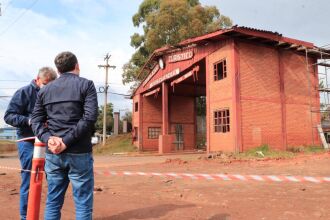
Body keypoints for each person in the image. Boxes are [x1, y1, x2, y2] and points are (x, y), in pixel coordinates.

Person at [31, 51, 98, 220]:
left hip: (53, 153)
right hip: (79, 152)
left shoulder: (45, 91)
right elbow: (89, 118)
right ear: (77, 66)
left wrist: (49, 139)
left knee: (53, 201)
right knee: (82, 203)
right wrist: (66, 142)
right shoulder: (86, 85)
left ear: (58, 70)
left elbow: (36, 120)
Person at [4, 67, 57, 220]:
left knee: (54, 177)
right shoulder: (24, 92)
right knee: (30, 178)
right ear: (37, 79)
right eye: (46, 83)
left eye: (51, 84)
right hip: (28, 141)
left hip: (48, 140)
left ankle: (50, 215)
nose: (48, 87)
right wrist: (29, 121)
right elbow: (9, 116)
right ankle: (25, 216)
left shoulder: (53, 93)